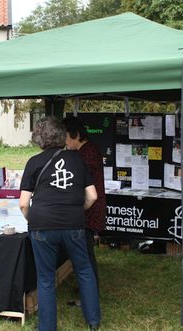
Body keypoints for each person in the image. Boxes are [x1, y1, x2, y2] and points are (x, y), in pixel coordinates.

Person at [19, 116, 101, 331]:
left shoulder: (33, 162)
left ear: (39, 139)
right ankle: (93, 321)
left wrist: (33, 220)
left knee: (45, 279)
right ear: (61, 135)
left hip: (41, 226)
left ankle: (47, 328)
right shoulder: (77, 159)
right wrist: (76, 211)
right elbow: (92, 196)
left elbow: (23, 204)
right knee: (84, 270)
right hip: (74, 224)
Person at [62, 116, 106, 288]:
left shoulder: (86, 154)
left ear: (76, 134)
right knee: (85, 252)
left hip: (89, 209)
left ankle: (89, 291)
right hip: (88, 208)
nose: (64, 142)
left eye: (66, 137)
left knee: (86, 255)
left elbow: (81, 186)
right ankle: (87, 288)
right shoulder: (85, 151)